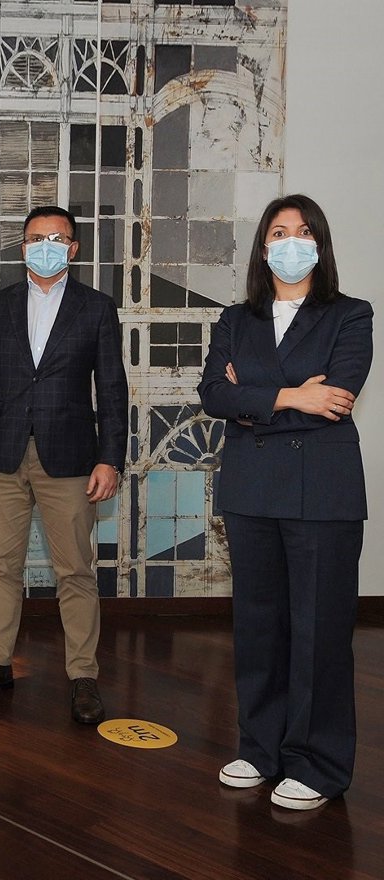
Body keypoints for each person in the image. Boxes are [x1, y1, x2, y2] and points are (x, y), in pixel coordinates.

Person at [199, 194, 371, 811]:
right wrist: (293, 396)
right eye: (278, 232)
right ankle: (260, 748)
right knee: (258, 624)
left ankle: (318, 763)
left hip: (321, 491)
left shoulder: (350, 315)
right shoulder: (235, 319)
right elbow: (213, 395)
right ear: (263, 245)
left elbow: (338, 398)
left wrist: (254, 398)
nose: (290, 242)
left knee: (319, 629)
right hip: (251, 490)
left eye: (302, 232)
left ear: (319, 245)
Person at [0, 205, 128, 724]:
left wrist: (110, 458)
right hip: (0, 454)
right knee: (2, 566)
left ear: (73, 248)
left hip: (70, 459)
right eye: (35, 238)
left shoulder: (96, 309)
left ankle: (83, 675)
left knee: (75, 570)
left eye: (56, 238)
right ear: (22, 247)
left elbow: (112, 390)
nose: (45, 246)